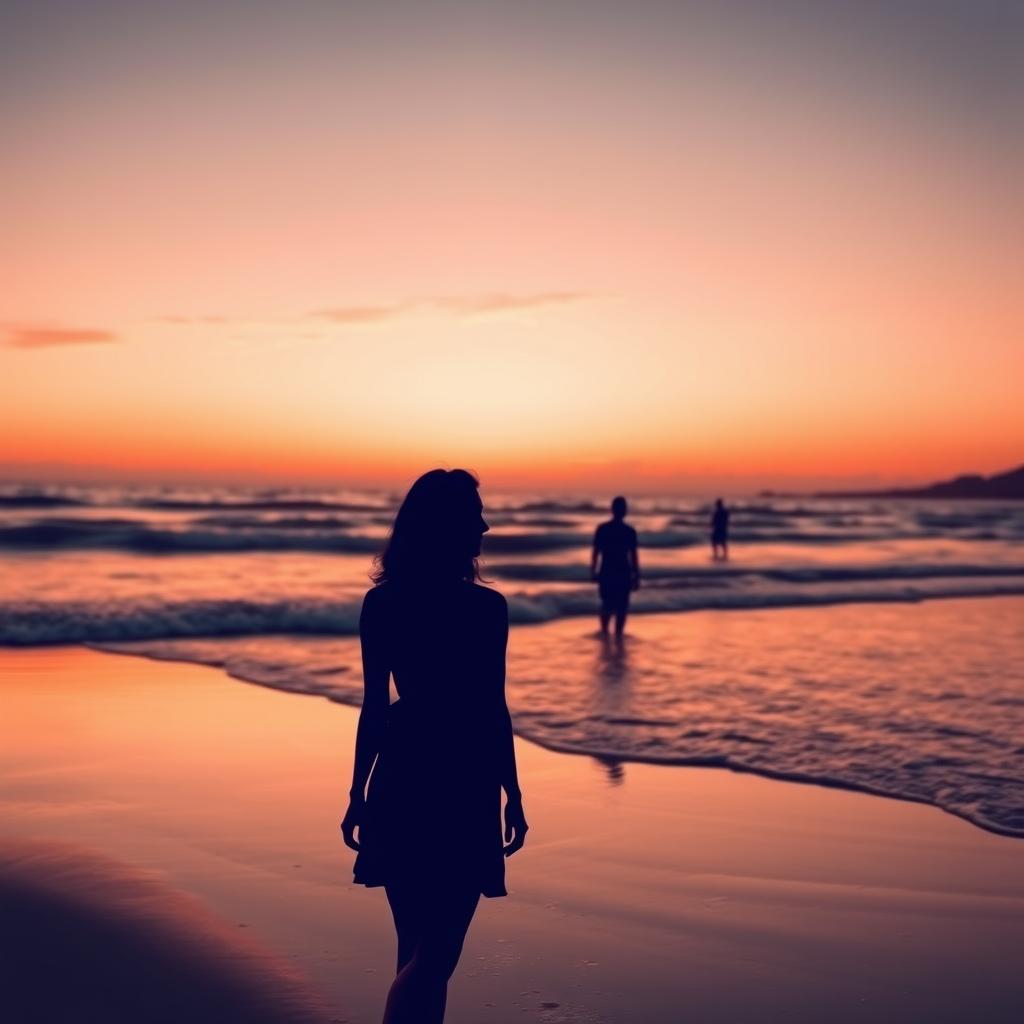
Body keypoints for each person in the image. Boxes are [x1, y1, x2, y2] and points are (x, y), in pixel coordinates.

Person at [340, 469, 528, 1024]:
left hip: (403, 766)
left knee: (418, 948)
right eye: (474, 515)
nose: (485, 525)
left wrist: (358, 791)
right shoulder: (486, 608)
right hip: (463, 774)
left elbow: (377, 707)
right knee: (437, 953)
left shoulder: (384, 602)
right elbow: (492, 709)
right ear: (447, 525)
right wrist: (510, 792)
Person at [590, 496, 640, 638]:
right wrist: (636, 576)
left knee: (608, 605)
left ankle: (607, 635)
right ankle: (616, 635)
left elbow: (595, 552)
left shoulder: (603, 529)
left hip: (609, 571)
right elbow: (634, 556)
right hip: (620, 572)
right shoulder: (629, 531)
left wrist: (593, 570)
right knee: (620, 608)